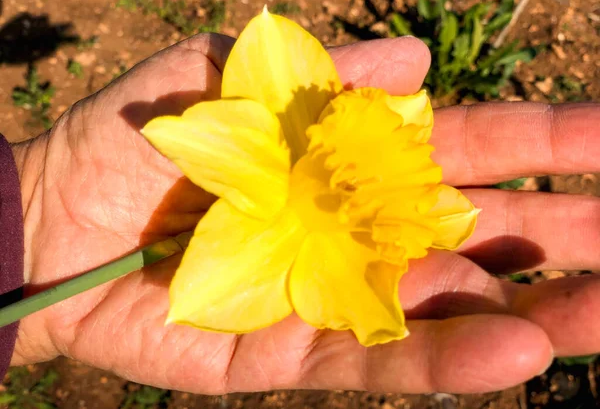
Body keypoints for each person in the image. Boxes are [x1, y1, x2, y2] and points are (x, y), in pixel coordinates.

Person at [0, 33, 599, 394]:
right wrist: (32, 217)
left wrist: (26, 221)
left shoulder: (379, 249)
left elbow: (428, 210)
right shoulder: (247, 139)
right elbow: (256, 81)